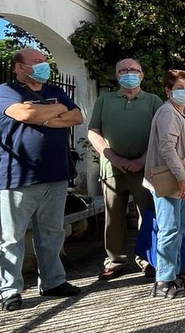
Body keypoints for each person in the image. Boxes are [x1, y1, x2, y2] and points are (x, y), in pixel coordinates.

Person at [0, 49, 83, 311]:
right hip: (18, 177)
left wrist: (44, 115)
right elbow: (25, 115)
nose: (43, 66)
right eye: (36, 62)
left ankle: (52, 282)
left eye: (44, 61)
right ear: (19, 68)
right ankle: (9, 290)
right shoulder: (7, 91)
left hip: (56, 175)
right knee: (12, 237)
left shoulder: (55, 91)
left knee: (51, 233)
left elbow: (77, 116)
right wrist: (54, 112)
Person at [88, 58, 163, 280]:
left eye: (134, 70)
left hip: (144, 168)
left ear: (142, 75)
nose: (129, 73)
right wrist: (111, 155)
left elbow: (163, 134)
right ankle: (114, 261)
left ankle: (147, 259)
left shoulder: (153, 101)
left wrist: (142, 159)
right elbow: (93, 131)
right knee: (113, 216)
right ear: (117, 75)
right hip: (112, 168)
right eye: (123, 70)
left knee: (148, 214)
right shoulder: (105, 100)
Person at [142, 70, 185, 299]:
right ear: (168, 91)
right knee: (168, 229)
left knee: (179, 228)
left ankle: (173, 274)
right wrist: (181, 177)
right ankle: (163, 280)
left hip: (184, 178)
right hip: (171, 179)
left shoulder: (180, 113)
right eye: (179, 88)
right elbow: (167, 148)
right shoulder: (167, 113)